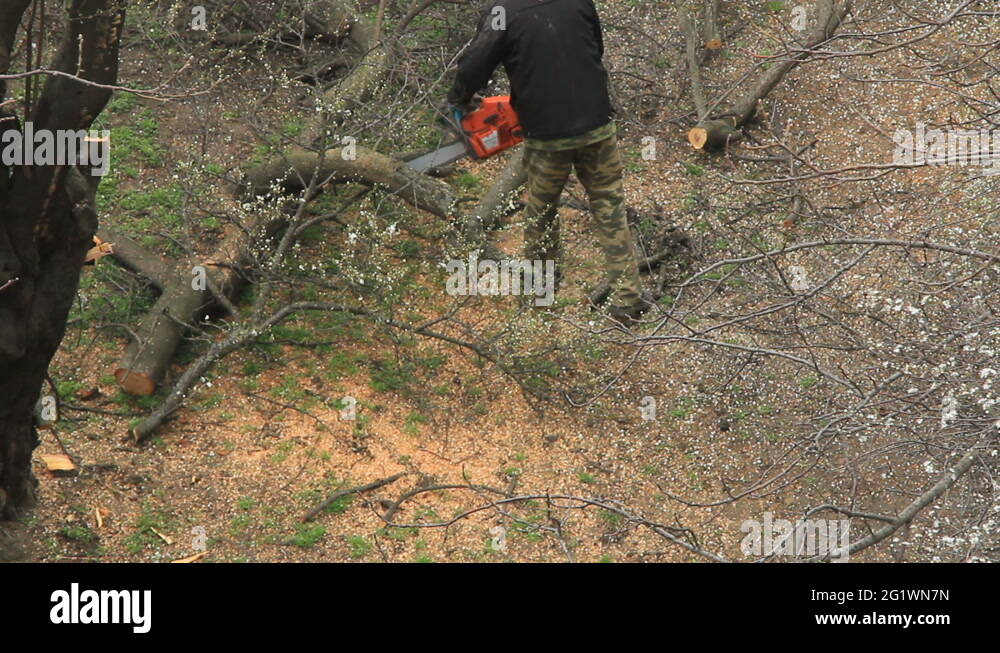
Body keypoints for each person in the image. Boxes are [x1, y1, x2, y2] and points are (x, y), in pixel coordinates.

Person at [446, 0, 649, 321]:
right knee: (609, 206)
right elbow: (595, 48)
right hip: (597, 124)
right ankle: (629, 299)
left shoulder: (503, 13)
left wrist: (458, 97)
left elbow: (474, 66)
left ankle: (542, 295)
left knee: (540, 215)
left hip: (548, 136)